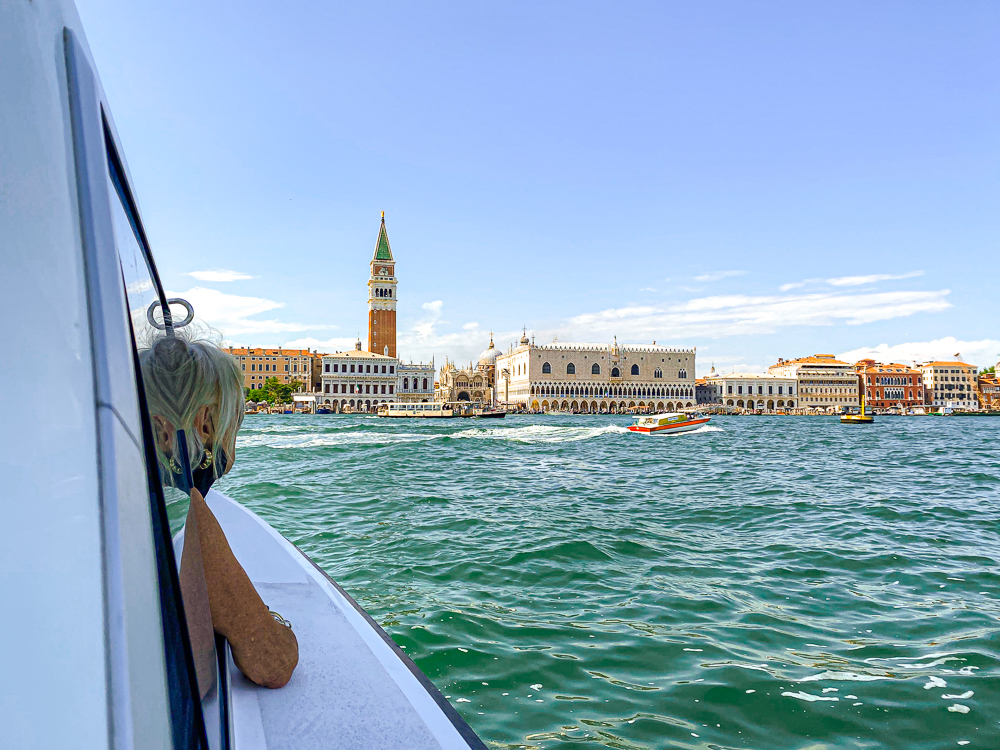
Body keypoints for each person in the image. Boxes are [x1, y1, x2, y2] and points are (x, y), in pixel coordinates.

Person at [140, 333, 298, 694]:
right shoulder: (190, 507)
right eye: (235, 418)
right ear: (205, 425)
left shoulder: (125, 492)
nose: (235, 435)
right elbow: (273, 662)